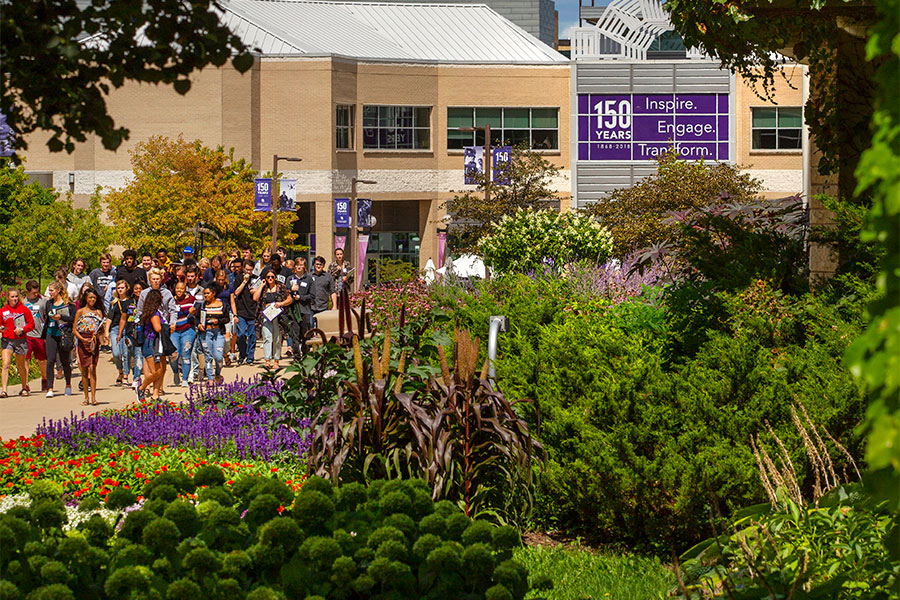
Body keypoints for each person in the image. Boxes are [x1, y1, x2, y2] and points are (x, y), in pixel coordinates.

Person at [137, 289, 173, 401]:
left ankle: (155, 395)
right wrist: (168, 328)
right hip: (152, 344)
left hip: (158, 343)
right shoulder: (154, 313)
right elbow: (158, 328)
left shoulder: (147, 312)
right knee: (156, 372)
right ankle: (141, 387)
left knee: (161, 369)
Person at [252, 269, 291, 369]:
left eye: (272, 277)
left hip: (278, 316)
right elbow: (255, 298)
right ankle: (267, 360)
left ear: (275, 278)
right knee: (267, 337)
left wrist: (281, 304)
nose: (270, 279)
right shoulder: (264, 288)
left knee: (277, 338)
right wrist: (261, 285)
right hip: (266, 316)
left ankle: (276, 360)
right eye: (268, 277)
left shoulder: (281, 287)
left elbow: (290, 299)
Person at [42, 281, 75, 397]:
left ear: (58, 290)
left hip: (64, 334)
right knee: (50, 361)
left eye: (51, 290)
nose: (49, 293)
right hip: (51, 333)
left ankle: (68, 385)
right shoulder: (49, 303)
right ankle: (50, 388)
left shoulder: (68, 304)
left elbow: (72, 318)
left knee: (65, 361)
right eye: (49, 290)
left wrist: (61, 317)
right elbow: (47, 316)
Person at [1, 288, 35, 397]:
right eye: (12, 297)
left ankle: (24, 387)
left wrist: (23, 329)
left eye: (16, 296)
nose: (14, 299)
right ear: (8, 298)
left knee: (21, 365)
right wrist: (1, 328)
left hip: (20, 340)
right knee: (5, 364)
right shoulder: (2, 311)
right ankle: (4, 390)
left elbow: (31, 324)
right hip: (7, 340)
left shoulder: (24, 309)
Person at [74, 288, 105, 406]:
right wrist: (81, 339)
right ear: (86, 298)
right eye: (90, 297)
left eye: (94, 298)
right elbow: (74, 329)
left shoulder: (98, 312)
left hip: (93, 342)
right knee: (84, 369)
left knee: (93, 368)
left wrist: (100, 338)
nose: (92, 299)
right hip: (83, 341)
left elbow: (100, 328)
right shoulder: (80, 312)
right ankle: (86, 397)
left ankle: (93, 397)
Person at [198, 282, 231, 383]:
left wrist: (218, 321)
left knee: (218, 357)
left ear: (213, 294)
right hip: (206, 333)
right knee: (208, 357)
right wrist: (199, 325)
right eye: (205, 294)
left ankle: (217, 373)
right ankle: (210, 378)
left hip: (219, 333)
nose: (206, 295)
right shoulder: (202, 305)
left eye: (208, 293)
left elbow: (227, 318)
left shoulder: (222, 305)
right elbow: (196, 319)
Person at [105, 279, 133, 387]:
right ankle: (120, 371)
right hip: (115, 329)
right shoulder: (114, 302)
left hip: (127, 329)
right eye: (118, 288)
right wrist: (107, 331)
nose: (120, 290)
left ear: (126, 289)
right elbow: (109, 317)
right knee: (116, 354)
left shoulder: (130, 301)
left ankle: (125, 375)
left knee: (126, 353)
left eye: (122, 288)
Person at [170, 281, 198, 388]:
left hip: (188, 330)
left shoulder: (191, 299)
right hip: (174, 331)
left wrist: (194, 311)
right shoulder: (171, 300)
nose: (179, 291)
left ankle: (185, 379)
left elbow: (197, 311)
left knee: (186, 353)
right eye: (177, 288)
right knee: (173, 355)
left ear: (185, 289)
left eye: (181, 288)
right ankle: (176, 372)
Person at [23, 280, 48, 393]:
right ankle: (26, 383)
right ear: (27, 292)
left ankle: (44, 379)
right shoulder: (23, 302)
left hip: (39, 334)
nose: (36, 294)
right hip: (27, 335)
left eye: (37, 292)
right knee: (25, 359)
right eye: (33, 293)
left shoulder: (43, 301)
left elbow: (46, 317)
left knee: (42, 360)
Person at [232, 259, 259, 365]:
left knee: (252, 335)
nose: (248, 272)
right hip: (241, 310)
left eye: (250, 270)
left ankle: (250, 357)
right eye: (247, 270)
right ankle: (242, 354)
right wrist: (244, 281)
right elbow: (236, 292)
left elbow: (258, 295)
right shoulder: (238, 278)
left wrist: (256, 290)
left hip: (252, 311)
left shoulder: (256, 279)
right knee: (241, 334)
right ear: (243, 269)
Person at [288, 257, 314, 357]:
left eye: (301, 265)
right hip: (293, 310)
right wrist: (291, 289)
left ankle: (305, 352)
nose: (299, 266)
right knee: (294, 333)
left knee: (305, 334)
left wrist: (301, 297)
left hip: (305, 310)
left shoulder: (308, 279)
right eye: (297, 264)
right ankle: (296, 355)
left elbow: (312, 296)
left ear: (305, 267)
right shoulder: (290, 279)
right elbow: (284, 293)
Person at [183, 265, 203, 382]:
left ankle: (197, 371)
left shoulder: (201, 290)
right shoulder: (182, 290)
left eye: (192, 276)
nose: (190, 278)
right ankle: (191, 371)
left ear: (196, 277)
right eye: (188, 276)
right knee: (188, 349)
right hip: (185, 323)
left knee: (197, 349)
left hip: (198, 323)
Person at [128, 280, 145, 388]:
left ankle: (136, 378)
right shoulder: (129, 302)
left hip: (141, 331)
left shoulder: (146, 302)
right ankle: (135, 373)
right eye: (136, 289)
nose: (138, 291)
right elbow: (123, 318)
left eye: (140, 288)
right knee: (130, 356)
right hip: (129, 332)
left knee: (139, 355)